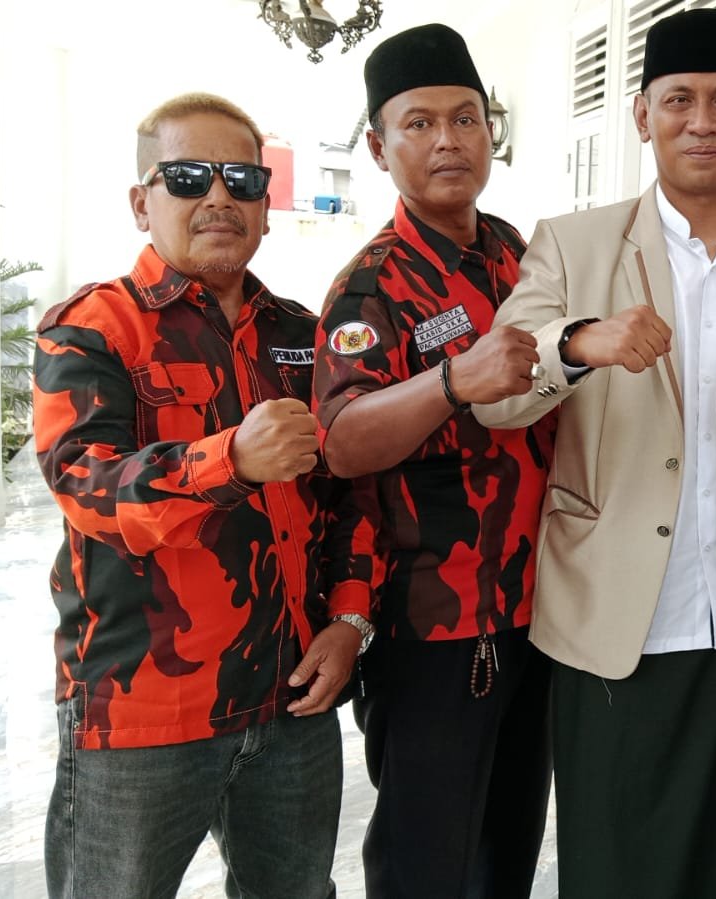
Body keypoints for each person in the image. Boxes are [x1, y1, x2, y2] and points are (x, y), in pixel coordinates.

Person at [472, 9, 716, 896]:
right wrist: (577, 343)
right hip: (616, 607)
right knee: (620, 857)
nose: (702, 121)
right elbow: (497, 398)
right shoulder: (573, 242)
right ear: (642, 115)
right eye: (678, 99)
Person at [33, 92, 374, 899]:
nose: (219, 196)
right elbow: (86, 484)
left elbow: (350, 497)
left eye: (242, 179)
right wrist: (233, 461)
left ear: (264, 207)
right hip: (142, 713)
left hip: (291, 702)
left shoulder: (300, 333)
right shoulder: (94, 327)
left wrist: (349, 621)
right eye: (188, 177)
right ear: (141, 202)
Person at [310, 23, 553, 899]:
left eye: (465, 118)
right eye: (419, 123)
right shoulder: (370, 286)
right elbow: (342, 441)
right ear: (380, 149)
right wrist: (452, 381)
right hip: (437, 624)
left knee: (506, 853)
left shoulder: (517, 253)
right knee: (425, 864)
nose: (448, 140)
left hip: (537, 610)